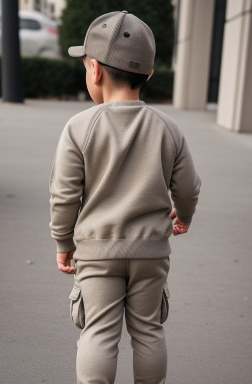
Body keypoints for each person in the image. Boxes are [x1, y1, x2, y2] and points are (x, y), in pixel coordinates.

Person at [49, 10, 201, 384]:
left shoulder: (79, 127)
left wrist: (62, 241)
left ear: (95, 71)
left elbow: (64, 195)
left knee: (98, 332)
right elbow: (188, 187)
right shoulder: (168, 129)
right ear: (148, 75)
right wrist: (183, 215)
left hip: (98, 252)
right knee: (149, 331)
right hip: (150, 252)